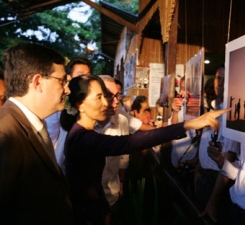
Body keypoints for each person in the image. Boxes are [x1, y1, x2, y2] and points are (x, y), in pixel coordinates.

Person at [60, 74, 228, 225]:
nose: (106, 102)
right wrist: (188, 124)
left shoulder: (82, 133)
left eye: (105, 96)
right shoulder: (82, 138)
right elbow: (132, 142)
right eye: (99, 97)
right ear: (80, 104)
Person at [0, 43, 73, 224]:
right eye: (62, 81)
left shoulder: (33, 123)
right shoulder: (5, 135)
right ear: (38, 82)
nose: (67, 89)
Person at [97, 75, 154, 224]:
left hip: (112, 193)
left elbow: (123, 157)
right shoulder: (82, 123)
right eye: (110, 96)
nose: (116, 101)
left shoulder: (121, 120)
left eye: (118, 96)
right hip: (88, 199)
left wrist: (121, 182)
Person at [194, 66, 240, 217]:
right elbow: (204, 145)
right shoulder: (212, 109)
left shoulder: (232, 116)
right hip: (203, 178)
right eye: (217, 78)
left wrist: (213, 202)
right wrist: (198, 172)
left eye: (224, 79)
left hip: (217, 183)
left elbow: (228, 160)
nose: (219, 82)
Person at [45, 57, 91, 172]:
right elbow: (51, 136)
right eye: (80, 74)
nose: (85, 78)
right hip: (61, 163)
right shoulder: (60, 99)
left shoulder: (93, 99)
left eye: (88, 74)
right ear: (69, 76)